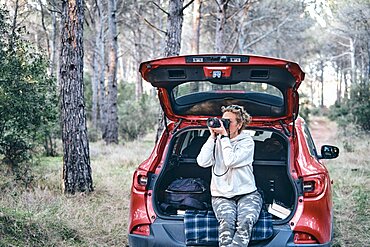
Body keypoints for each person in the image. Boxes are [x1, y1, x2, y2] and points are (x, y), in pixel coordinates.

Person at [197, 105, 262, 247]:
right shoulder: (217, 140)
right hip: (221, 194)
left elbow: (230, 160)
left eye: (229, 122)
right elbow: (202, 162)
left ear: (239, 125)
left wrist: (224, 138)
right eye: (223, 120)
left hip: (247, 193)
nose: (224, 124)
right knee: (226, 224)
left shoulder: (247, 142)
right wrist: (213, 137)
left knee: (246, 221)